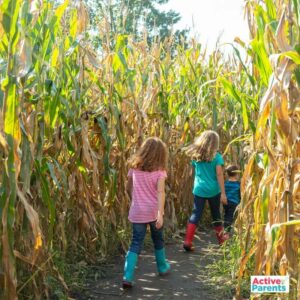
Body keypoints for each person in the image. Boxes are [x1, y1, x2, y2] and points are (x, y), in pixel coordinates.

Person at [122, 137, 170, 289]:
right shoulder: (160, 172)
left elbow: (128, 187)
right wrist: (160, 214)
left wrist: (135, 200)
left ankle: (127, 276)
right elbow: (161, 193)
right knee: (158, 239)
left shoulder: (134, 168)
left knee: (135, 242)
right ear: (160, 154)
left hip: (137, 211)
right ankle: (162, 267)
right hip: (153, 211)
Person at [183, 130, 229, 251]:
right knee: (216, 214)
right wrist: (223, 193)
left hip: (199, 189)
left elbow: (193, 172)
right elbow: (219, 174)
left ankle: (188, 241)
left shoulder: (196, 156)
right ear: (215, 143)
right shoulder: (217, 157)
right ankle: (222, 241)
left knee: (196, 213)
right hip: (213, 190)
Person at [223, 165, 241, 233]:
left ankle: (226, 229)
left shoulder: (225, 184)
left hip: (226, 203)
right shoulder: (238, 184)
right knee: (230, 217)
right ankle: (226, 232)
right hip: (234, 203)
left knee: (226, 215)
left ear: (227, 174)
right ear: (236, 174)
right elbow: (240, 195)